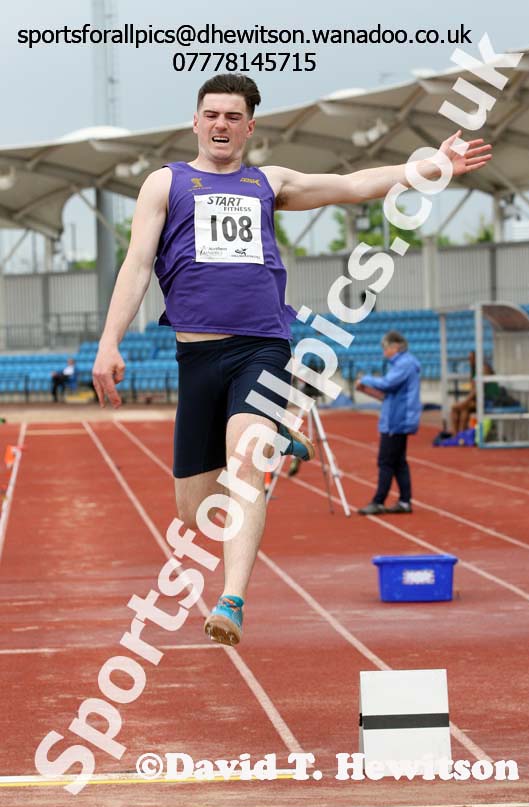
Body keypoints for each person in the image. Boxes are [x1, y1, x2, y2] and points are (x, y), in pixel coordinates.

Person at [92, 74, 492, 646]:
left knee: (246, 470)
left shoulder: (268, 182)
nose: (222, 124)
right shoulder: (165, 183)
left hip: (261, 346)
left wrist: (429, 166)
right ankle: (281, 435)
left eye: (233, 116)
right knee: (192, 511)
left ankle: (232, 600)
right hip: (196, 358)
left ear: (250, 126)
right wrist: (110, 342)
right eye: (212, 114)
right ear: (196, 121)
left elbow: (354, 185)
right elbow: (135, 265)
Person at [355, 331, 421, 515]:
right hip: (396, 418)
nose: (384, 352)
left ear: (396, 346)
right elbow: (387, 394)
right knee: (399, 462)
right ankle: (405, 501)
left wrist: (365, 379)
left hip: (397, 420)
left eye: (386, 347)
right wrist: (366, 389)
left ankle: (378, 501)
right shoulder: (403, 364)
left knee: (385, 462)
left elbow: (387, 384)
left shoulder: (405, 364)